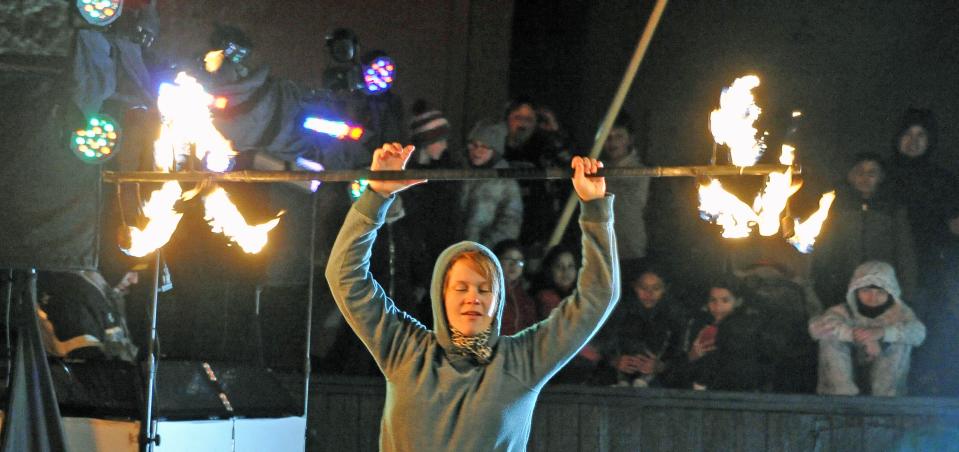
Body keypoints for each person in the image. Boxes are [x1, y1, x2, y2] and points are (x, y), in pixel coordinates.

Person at [325, 142, 618, 451]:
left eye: (484, 289)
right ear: (441, 295)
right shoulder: (407, 351)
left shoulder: (523, 361)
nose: (473, 298)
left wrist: (595, 209)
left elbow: (597, 297)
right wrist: (376, 196)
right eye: (461, 288)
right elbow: (345, 277)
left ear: (498, 299)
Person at [812, 152, 917, 308]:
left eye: (871, 173)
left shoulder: (892, 208)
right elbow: (826, 246)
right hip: (843, 284)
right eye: (859, 172)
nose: (865, 178)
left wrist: (908, 291)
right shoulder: (836, 206)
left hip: (880, 287)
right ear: (850, 175)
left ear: (881, 177)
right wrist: (822, 282)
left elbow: (904, 250)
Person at [809, 261, 926, 396]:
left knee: (902, 342)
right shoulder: (843, 311)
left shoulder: (900, 313)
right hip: (845, 378)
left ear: (890, 293)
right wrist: (857, 335)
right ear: (856, 290)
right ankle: (841, 397)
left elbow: (918, 333)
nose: (872, 298)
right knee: (829, 338)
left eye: (880, 292)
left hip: (885, 377)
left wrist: (883, 334)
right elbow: (817, 328)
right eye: (866, 291)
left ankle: (886, 400)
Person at [672, 276, 771, 391]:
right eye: (713, 300)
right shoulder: (697, 325)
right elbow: (676, 371)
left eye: (725, 300)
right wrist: (691, 356)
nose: (717, 306)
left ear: (738, 302)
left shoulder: (747, 329)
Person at [598, 264, 685, 388]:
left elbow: (680, 352)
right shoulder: (619, 311)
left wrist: (661, 366)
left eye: (656, 288)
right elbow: (601, 345)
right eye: (643, 287)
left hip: (660, 386)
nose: (649, 293)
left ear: (664, 289)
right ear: (634, 287)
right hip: (618, 381)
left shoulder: (674, 314)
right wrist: (615, 361)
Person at [457, 121, 523, 248]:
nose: (477, 150)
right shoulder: (458, 173)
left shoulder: (506, 182)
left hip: (485, 251)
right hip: (454, 249)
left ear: (495, 150)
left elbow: (510, 222)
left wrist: (485, 247)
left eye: (484, 146)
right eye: (474, 145)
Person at [601, 112, 651, 276]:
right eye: (608, 136)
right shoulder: (596, 170)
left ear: (630, 139)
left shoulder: (643, 172)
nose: (612, 142)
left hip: (632, 250)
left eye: (619, 136)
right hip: (601, 251)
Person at [493, 239, 538, 335]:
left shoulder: (525, 299)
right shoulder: (489, 293)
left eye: (519, 261)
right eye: (508, 259)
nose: (514, 265)